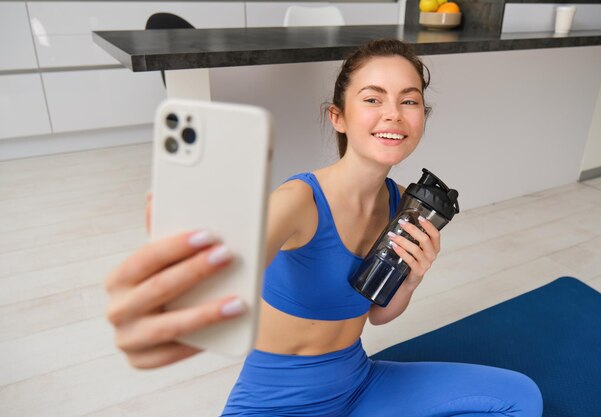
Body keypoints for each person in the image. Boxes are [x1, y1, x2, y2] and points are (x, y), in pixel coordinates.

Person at [105, 39, 543, 416]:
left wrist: (412, 279)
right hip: (275, 402)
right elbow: (227, 269)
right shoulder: (298, 201)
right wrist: (180, 284)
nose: (393, 113)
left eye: (408, 101)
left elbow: (378, 315)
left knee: (519, 398)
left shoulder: (405, 205)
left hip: (358, 384)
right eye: (372, 99)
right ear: (338, 117)